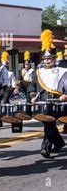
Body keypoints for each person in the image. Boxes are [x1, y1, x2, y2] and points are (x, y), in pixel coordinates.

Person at [32, 30, 66, 158]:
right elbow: (32, 85)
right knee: (48, 124)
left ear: (54, 58)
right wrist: (32, 95)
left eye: (49, 59)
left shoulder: (61, 71)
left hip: (58, 100)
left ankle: (49, 147)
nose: (46, 61)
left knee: (49, 125)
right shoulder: (38, 72)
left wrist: (65, 95)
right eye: (45, 59)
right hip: (43, 100)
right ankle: (54, 145)